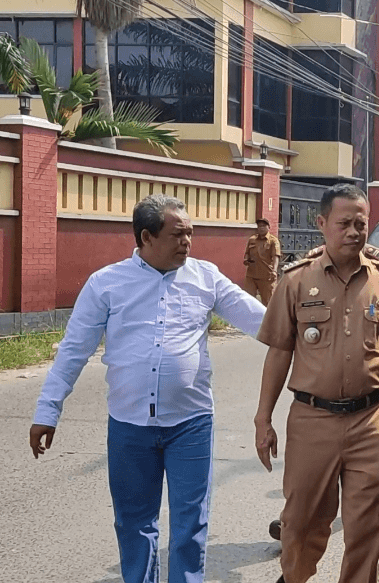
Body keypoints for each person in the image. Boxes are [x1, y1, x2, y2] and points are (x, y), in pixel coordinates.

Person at [29, 194, 266, 583]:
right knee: (134, 523)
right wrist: (46, 412)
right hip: (129, 426)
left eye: (190, 233)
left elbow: (262, 322)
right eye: (177, 234)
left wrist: (314, 323)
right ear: (146, 236)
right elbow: (72, 352)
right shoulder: (106, 284)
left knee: (191, 524)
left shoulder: (206, 277)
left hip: (191, 425)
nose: (187, 242)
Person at [254, 183, 379, 583]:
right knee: (301, 524)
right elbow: (279, 352)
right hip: (313, 421)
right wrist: (263, 419)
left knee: (369, 528)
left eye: (361, 224)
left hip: (373, 419)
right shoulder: (295, 281)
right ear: (322, 223)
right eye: (344, 223)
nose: (354, 232)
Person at [243, 217, 282, 306]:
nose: (261, 228)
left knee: (268, 302)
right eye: (259, 226)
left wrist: (275, 271)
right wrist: (246, 259)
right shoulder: (252, 239)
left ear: (269, 227)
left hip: (266, 276)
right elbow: (247, 253)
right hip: (251, 275)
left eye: (264, 226)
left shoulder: (273, 241)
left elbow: (276, 256)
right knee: (248, 299)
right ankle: (250, 318)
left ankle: (268, 319)